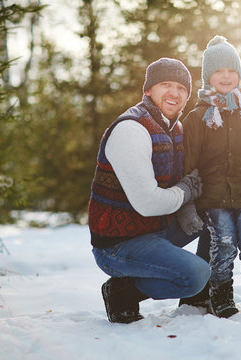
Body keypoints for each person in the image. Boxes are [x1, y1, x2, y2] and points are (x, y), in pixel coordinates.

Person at [88, 57, 211, 323]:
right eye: (166, 84)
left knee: (217, 213)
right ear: (148, 90)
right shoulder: (131, 129)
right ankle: (124, 290)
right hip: (118, 244)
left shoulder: (175, 128)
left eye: (181, 88)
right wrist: (185, 193)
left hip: (155, 230)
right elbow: (147, 203)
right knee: (196, 274)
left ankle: (198, 299)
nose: (174, 93)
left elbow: (186, 180)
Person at [180, 36, 241, 318]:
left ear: (239, 76)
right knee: (222, 245)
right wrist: (188, 204)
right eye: (219, 71)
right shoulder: (197, 118)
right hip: (213, 199)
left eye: (231, 71)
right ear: (208, 76)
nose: (226, 76)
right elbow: (188, 164)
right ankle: (221, 294)